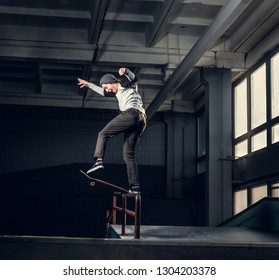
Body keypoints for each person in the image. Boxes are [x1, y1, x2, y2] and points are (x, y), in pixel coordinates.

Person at [77, 68, 146, 193]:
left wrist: (126, 72)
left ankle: (98, 161)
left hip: (131, 114)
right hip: (140, 121)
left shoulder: (124, 84)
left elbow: (134, 79)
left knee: (103, 134)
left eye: (107, 86)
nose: (107, 90)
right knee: (128, 155)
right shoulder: (117, 92)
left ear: (113, 82)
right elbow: (103, 92)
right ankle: (135, 188)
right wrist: (89, 85)